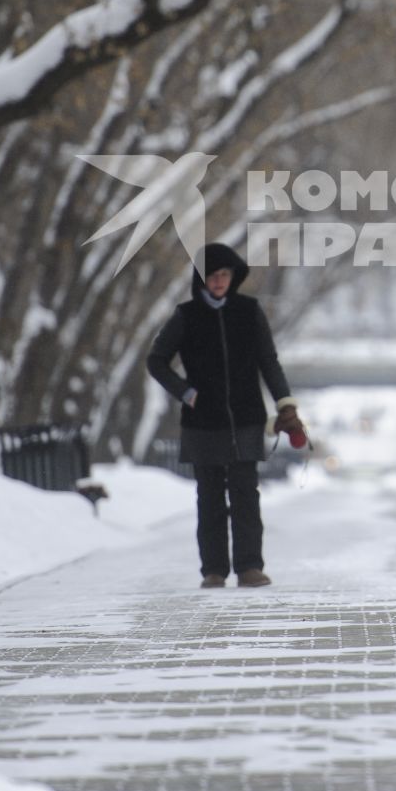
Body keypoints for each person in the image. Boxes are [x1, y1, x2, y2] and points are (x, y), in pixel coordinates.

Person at [145, 242, 305, 588]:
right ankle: (213, 570)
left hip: (246, 418)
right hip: (203, 422)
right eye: (213, 276)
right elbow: (156, 361)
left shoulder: (249, 311)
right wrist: (186, 393)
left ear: (233, 277)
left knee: (246, 494)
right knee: (210, 497)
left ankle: (249, 567)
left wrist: (284, 404)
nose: (219, 281)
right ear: (201, 279)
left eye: (225, 275)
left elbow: (268, 361)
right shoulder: (186, 316)